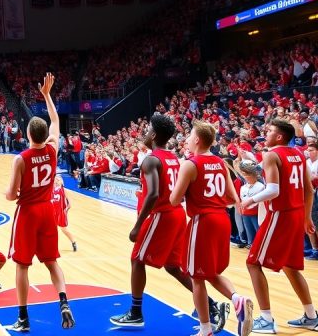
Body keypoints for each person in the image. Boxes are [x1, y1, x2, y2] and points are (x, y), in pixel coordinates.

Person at [110, 114, 227, 332]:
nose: (145, 133)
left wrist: (138, 225)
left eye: (147, 130)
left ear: (154, 135)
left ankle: (135, 313)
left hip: (162, 215)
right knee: (173, 267)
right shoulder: (172, 157)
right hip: (177, 215)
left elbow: (154, 194)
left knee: (137, 260)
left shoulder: (151, 159)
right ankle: (210, 305)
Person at [169, 121, 253, 336]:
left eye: (189, 136)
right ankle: (237, 299)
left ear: (197, 140)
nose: (187, 140)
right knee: (209, 272)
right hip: (222, 219)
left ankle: (205, 329)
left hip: (203, 221)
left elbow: (174, 200)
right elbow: (232, 197)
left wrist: (189, 191)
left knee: (196, 278)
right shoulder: (220, 162)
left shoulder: (190, 164)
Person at [5, 73, 74, 332]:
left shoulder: (21, 159)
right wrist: (46, 95)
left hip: (28, 212)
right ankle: (63, 301)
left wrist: (8, 192)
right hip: (47, 211)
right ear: (45, 135)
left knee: (22, 265)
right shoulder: (53, 150)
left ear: (28, 134)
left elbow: (11, 195)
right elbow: (55, 120)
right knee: (52, 262)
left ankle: (23, 318)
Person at [242, 119, 318, 333]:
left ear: (279, 136)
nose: (265, 133)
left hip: (280, 214)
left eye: (270, 131)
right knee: (290, 267)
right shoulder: (299, 155)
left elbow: (273, 190)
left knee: (253, 263)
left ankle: (266, 319)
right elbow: (309, 190)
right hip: (295, 214)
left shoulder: (272, 154)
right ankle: (312, 316)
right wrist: (306, 217)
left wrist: (250, 200)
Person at [51, 175, 77, 251]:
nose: (56, 181)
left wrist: (65, 210)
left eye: (58, 180)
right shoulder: (50, 189)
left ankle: (73, 241)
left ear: (62, 182)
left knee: (64, 230)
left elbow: (70, 204)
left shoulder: (63, 190)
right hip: (52, 212)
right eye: (55, 179)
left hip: (61, 213)